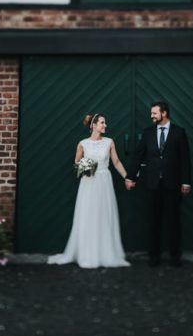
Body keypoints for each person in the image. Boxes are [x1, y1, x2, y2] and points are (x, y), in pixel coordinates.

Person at [47, 113, 131, 268]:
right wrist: (87, 168)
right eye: (102, 123)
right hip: (89, 183)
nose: (105, 125)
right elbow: (77, 163)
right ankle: (87, 253)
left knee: (104, 215)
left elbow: (117, 162)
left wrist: (127, 177)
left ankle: (106, 253)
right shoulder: (82, 144)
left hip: (104, 181)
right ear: (93, 125)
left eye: (105, 123)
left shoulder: (109, 142)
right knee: (88, 215)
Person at [125, 101, 191, 267]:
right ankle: (154, 257)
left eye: (154, 113)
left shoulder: (179, 132)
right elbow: (138, 156)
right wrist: (130, 177)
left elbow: (185, 159)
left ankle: (175, 257)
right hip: (153, 184)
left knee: (174, 221)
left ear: (164, 113)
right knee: (154, 221)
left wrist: (186, 182)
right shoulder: (148, 133)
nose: (151, 116)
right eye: (151, 113)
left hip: (173, 184)